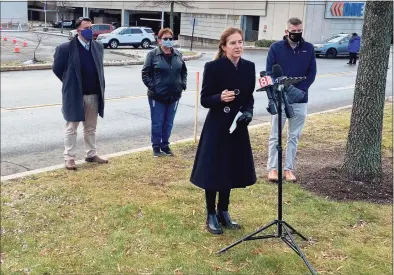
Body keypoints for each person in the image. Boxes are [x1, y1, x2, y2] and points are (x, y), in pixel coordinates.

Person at [190, 27, 256, 235]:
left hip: (237, 126)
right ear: (223, 46)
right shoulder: (214, 67)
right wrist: (219, 97)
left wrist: (248, 112)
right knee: (214, 169)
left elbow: (249, 97)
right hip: (218, 126)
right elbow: (204, 99)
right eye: (233, 43)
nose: (238, 46)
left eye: (240, 42)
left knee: (229, 168)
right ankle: (210, 213)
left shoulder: (248, 67)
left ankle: (223, 211)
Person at [52, 17, 108, 170]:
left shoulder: (98, 47)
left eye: (91, 28)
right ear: (78, 31)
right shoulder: (65, 48)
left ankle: (91, 154)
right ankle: (69, 158)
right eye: (86, 29)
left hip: (94, 94)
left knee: (90, 127)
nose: (90, 31)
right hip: (75, 95)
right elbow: (57, 69)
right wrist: (70, 83)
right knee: (71, 128)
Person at [266, 17, 317, 182]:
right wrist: (279, 89)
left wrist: (300, 91)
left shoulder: (308, 49)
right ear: (286, 31)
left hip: (300, 99)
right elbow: (269, 73)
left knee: (294, 136)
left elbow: (311, 73)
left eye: (299, 31)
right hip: (280, 97)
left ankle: (288, 169)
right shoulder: (275, 48)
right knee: (276, 134)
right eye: (293, 31)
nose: (296, 34)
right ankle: (272, 169)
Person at [142, 28, 188, 157]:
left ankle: (165, 145)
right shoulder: (152, 55)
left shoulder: (178, 54)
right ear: (159, 40)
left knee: (169, 122)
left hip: (174, 95)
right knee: (158, 122)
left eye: (170, 39)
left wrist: (182, 85)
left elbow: (183, 71)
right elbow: (145, 74)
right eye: (165, 39)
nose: (168, 41)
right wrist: (154, 88)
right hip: (157, 96)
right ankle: (156, 147)